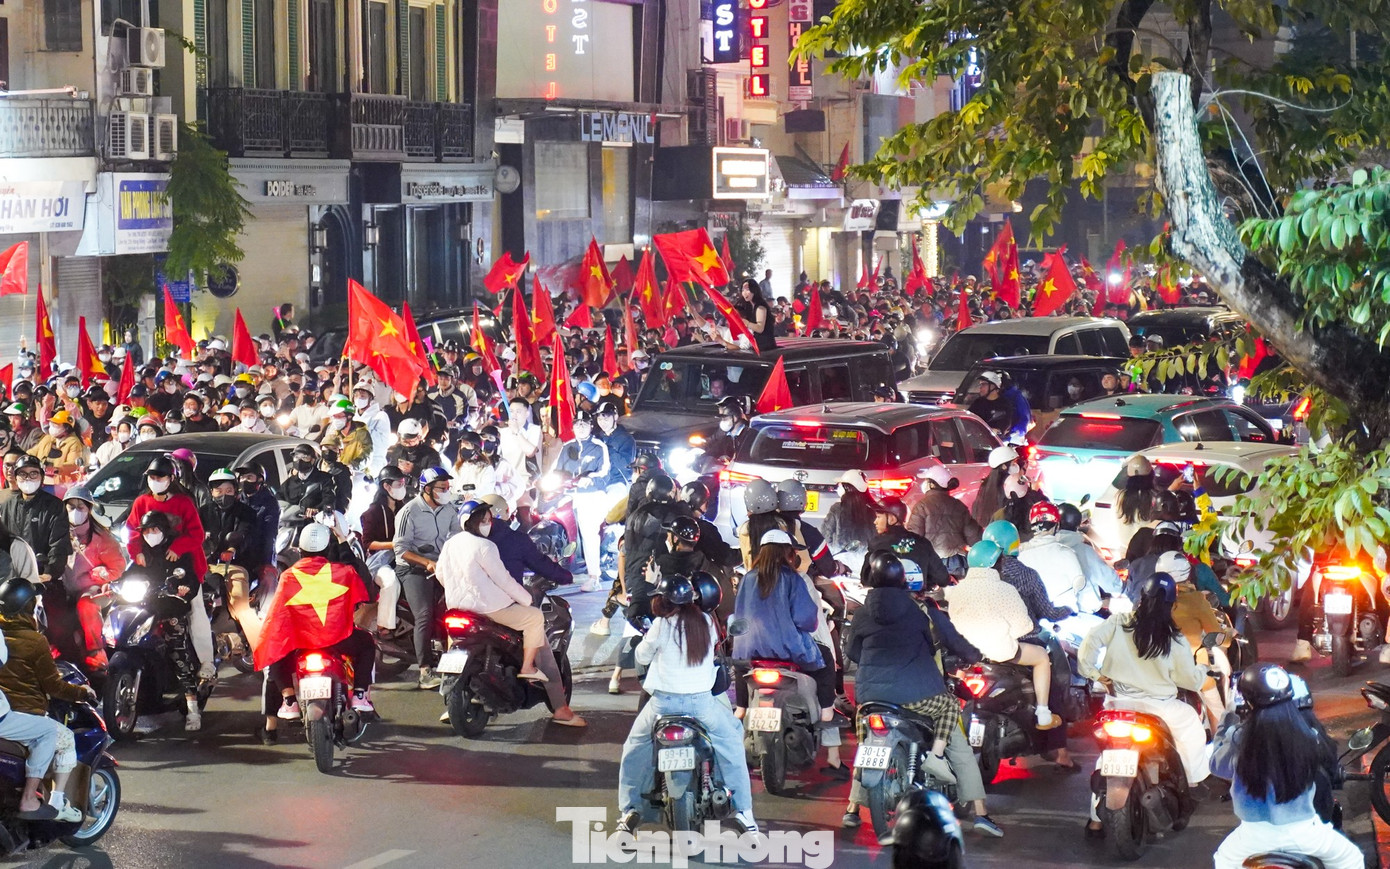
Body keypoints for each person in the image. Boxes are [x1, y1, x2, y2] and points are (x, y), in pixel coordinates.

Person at [844, 551, 984, 832]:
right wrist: (976, 655)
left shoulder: (860, 613)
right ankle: (980, 810)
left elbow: (852, 652)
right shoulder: (921, 612)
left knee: (868, 744)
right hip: (916, 694)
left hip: (870, 697)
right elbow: (938, 645)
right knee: (951, 714)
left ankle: (852, 808)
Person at [615, 573, 757, 836]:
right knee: (732, 741)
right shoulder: (705, 621)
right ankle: (744, 812)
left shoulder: (661, 625)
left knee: (634, 747)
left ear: (663, 601)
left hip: (663, 704)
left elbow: (642, 655)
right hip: (702, 704)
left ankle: (629, 810)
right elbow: (714, 652)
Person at [1078, 572, 1210, 838]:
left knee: (1105, 758)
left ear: (1141, 598)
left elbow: (1089, 643)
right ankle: (1193, 780)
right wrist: (1203, 669)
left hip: (1118, 705)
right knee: (1191, 726)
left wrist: (1094, 674)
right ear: (1172, 605)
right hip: (1159, 709)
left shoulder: (1118, 623)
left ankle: (1094, 820)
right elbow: (1189, 680)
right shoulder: (1174, 639)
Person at [435, 500, 585, 726]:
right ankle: (558, 704)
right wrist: (526, 599)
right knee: (536, 625)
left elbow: (440, 574)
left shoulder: (451, 543)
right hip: (492, 608)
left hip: (459, 608)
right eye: (483, 520)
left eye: (488, 519)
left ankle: (451, 702)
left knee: (453, 643)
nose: (487, 524)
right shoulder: (494, 544)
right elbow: (505, 579)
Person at [1209, 664, 1364, 869]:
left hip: (1253, 836)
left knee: (1224, 860)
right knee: (1352, 859)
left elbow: (1216, 766)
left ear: (1248, 702)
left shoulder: (1239, 738)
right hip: (1305, 833)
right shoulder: (1310, 736)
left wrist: (1228, 718)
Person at [731, 529, 843, 770]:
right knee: (825, 664)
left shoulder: (748, 578)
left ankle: (741, 709)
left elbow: (738, 616)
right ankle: (825, 713)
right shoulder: (795, 580)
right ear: (788, 554)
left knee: (741, 668)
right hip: (789, 652)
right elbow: (808, 621)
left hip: (750, 651)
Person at [256, 523, 375, 743]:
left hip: (300, 644)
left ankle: (289, 699)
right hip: (338, 640)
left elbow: (278, 619)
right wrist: (344, 543)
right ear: (328, 549)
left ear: (300, 550)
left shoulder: (289, 576)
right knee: (367, 643)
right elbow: (367, 589)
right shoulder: (343, 571)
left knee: (277, 648)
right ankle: (359, 694)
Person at [0, 578, 92, 823]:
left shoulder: (3, 632)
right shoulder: (34, 641)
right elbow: (53, 686)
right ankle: (55, 802)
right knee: (63, 738)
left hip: (8, 707)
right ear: (30, 607)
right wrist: (82, 693)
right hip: (19, 713)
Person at [946, 541, 1060, 729]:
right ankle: (1043, 714)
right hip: (998, 652)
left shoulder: (957, 590)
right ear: (995, 563)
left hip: (965, 653)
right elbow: (1024, 627)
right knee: (1041, 657)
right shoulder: (1005, 589)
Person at [136, 510, 214, 729]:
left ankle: (192, 710)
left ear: (164, 531)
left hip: (171, 608)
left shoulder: (178, 552)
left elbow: (190, 579)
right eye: (146, 531)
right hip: (146, 609)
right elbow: (129, 574)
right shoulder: (143, 554)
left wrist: (183, 589)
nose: (150, 534)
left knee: (177, 651)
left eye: (154, 530)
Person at [392, 466, 461, 689]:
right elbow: (400, 550)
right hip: (413, 569)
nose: (446, 492)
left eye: (448, 488)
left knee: (458, 608)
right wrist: (426, 562)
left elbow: (458, 537)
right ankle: (425, 670)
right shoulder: (409, 512)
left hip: (442, 566)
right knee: (424, 613)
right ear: (428, 489)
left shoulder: (449, 510)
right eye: (442, 488)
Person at [60, 485, 123, 673]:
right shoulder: (57, 532)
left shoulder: (102, 537)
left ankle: (96, 651)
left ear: (89, 509)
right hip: (61, 587)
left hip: (91, 588)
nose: (76, 512)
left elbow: (117, 567)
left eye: (81, 507)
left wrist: (98, 574)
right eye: (71, 507)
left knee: (86, 605)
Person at [551, 409, 611, 592]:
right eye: (577, 424)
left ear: (591, 426)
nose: (581, 427)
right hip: (569, 494)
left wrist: (590, 478)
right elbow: (555, 470)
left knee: (588, 530)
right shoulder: (567, 446)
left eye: (584, 423)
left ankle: (594, 576)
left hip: (591, 494)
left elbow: (604, 471)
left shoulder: (599, 447)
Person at [359, 467, 408, 639]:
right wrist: (392, 545)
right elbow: (368, 544)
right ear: (386, 486)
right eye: (399, 483)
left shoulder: (406, 509)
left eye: (404, 483)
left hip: (405, 557)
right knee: (390, 582)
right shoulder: (372, 513)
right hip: (381, 562)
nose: (403, 486)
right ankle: (384, 626)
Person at [1017, 501, 1089, 612]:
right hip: (1064, 617)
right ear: (1057, 525)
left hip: (1032, 618)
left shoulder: (1020, 555)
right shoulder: (1067, 553)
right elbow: (1079, 582)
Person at [907, 465, 982, 561]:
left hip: (931, 561)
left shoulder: (921, 506)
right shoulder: (959, 506)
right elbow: (973, 535)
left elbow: (914, 537)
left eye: (926, 480)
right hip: (957, 560)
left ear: (932, 485)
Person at [822, 470, 878, 554]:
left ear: (847, 488)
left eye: (840, 485)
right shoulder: (874, 511)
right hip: (866, 561)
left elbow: (825, 536)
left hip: (841, 560)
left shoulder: (837, 509)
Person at [967, 372, 1014, 439]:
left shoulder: (1004, 404)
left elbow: (1006, 424)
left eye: (984, 384)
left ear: (993, 386)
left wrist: (997, 430)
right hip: (978, 440)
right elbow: (969, 418)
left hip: (996, 441)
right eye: (980, 385)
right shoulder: (978, 402)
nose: (981, 388)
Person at [735, 279, 777, 353]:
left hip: (765, 348)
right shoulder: (749, 307)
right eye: (743, 290)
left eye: (747, 290)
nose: (744, 293)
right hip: (756, 346)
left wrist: (747, 323)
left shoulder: (760, 308)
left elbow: (760, 328)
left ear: (754, 290)